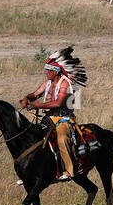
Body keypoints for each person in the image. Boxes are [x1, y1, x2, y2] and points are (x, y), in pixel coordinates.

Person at [21, 47, 86, 183]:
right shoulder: (48, 82)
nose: (45, 73)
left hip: (63, 120)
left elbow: (58, 103)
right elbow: (35, 94)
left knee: (62, 139)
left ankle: (69, 171)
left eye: (48, 70)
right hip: (48, 119)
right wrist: (27, 98)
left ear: (55, 71)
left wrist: (38, 105)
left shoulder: (66, 84)